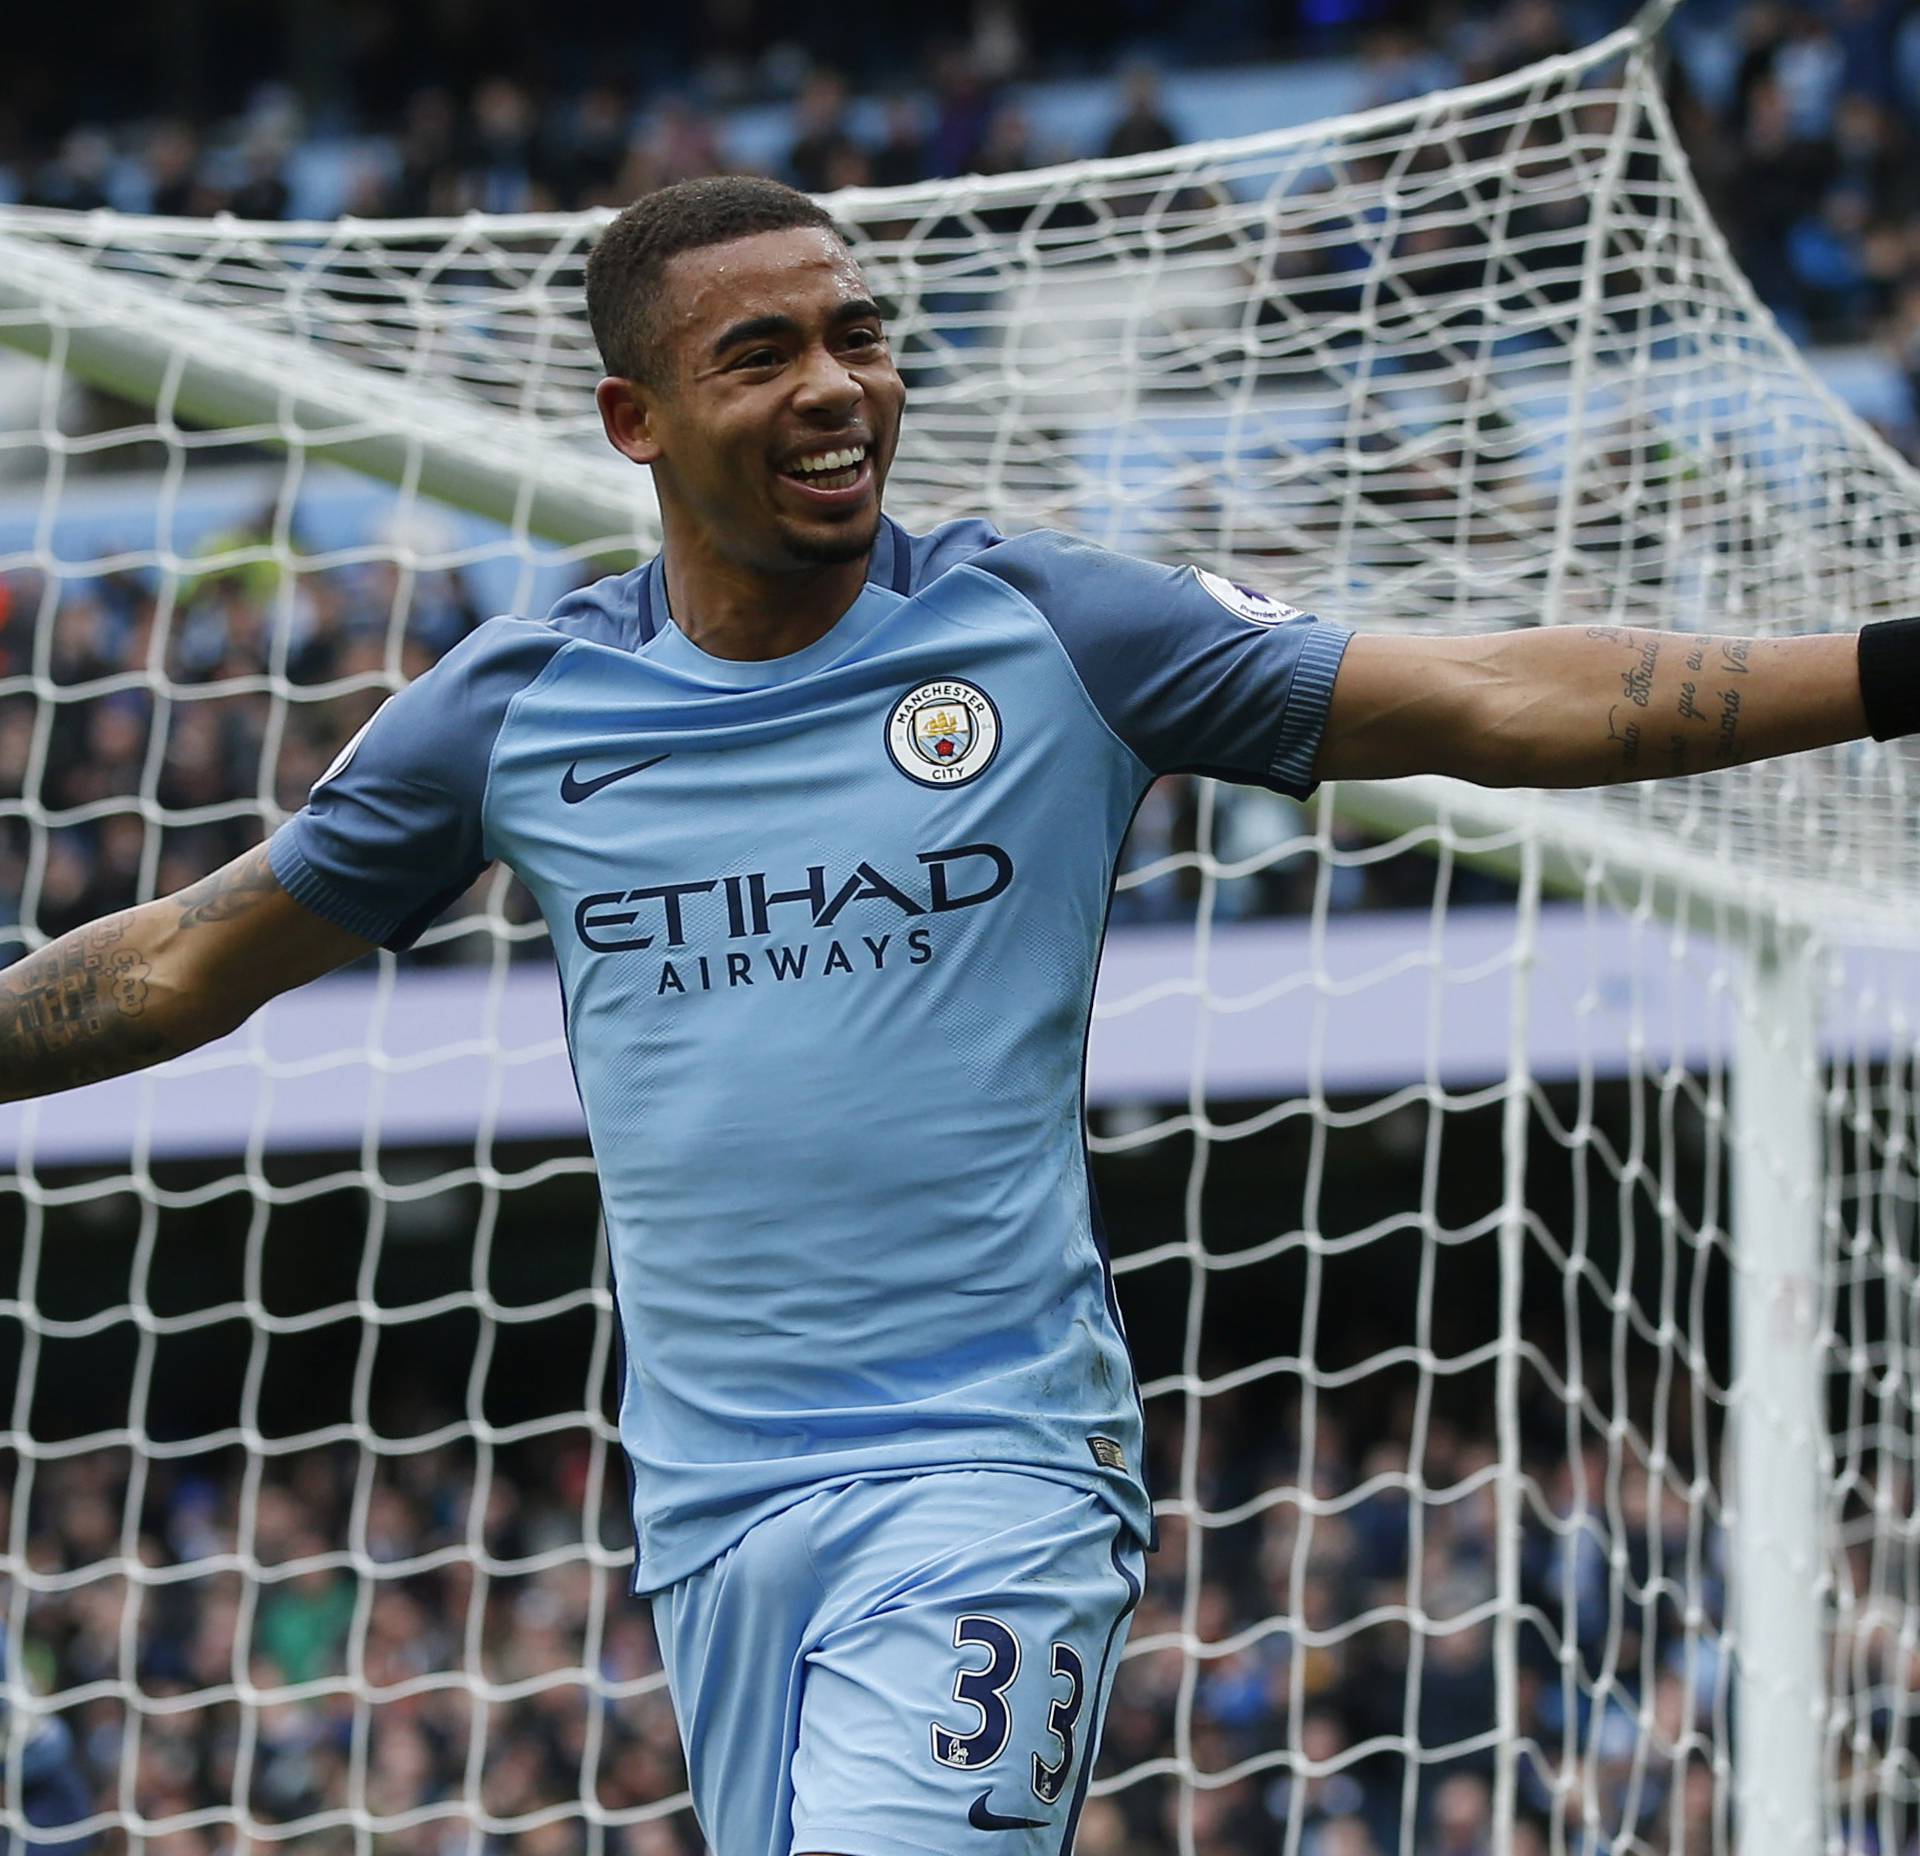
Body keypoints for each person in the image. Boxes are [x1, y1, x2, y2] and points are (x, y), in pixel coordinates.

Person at [0, 175, 1899, 1855]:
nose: (837, 386)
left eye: (860, 335)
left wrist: (1896, 666)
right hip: (715, 1508)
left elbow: (1494, 695)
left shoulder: (1048, 630)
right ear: (633, 419)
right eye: (764, 355)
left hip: (988, 1469)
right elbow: (182, 959)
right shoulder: (519, 711)